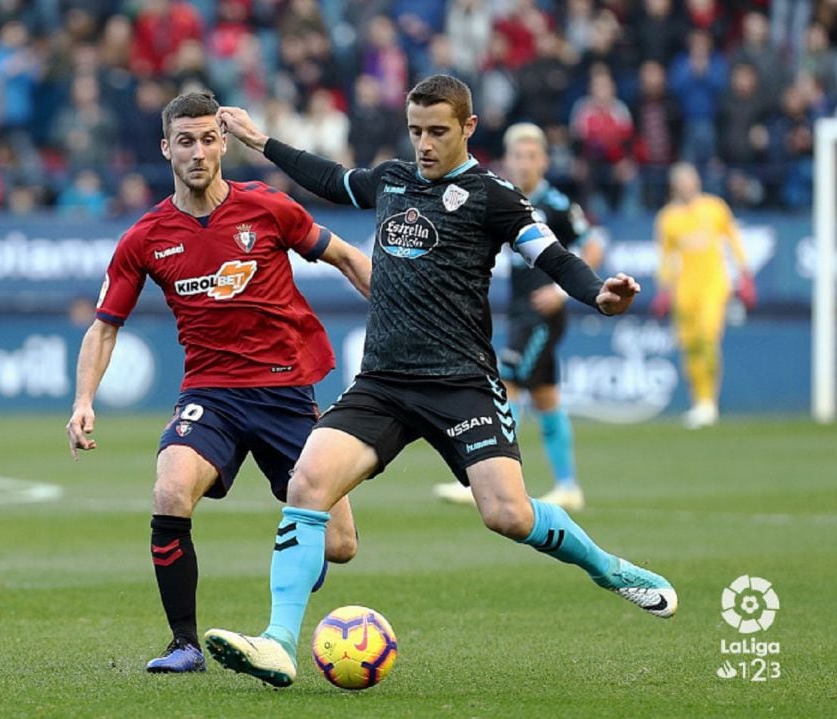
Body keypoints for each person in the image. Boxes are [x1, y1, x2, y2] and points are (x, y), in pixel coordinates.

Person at [206, 75, 677, 688]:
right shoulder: (394, 179)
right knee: (307, 482)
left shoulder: (493, 196)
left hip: (461, 383)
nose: (424, 144)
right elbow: (329, 178)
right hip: (383, 382)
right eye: (416, 131)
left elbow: (552, 256)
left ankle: (608, 568)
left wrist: (597, 294)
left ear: (468, 128)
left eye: (437, 132)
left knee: (507, 515)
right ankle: (278, 643)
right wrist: (261, 140)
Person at [65, 91, 371, 674]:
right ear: (166, 149)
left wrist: (404, 316)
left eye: (208, 138)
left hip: (286, 391)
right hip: (211, 394)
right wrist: (83, 400)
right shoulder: (146, 237)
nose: (199, 151)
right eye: (186, 141)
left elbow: (348, 258)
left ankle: (299, 551)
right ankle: (184, 644)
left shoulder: (268, 208)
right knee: (170, 490)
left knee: (340, 544)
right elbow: (104, 328)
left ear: (224, 143)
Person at [434, 122, 604, 512]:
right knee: (545, 397)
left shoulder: (557, 205)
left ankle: (486, 479)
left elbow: (593, 245)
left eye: (531, 156)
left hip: (541, 315)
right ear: (507, 160)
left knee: (506, 382)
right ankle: (568, 485)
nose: (524, 163)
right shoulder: (505, 199)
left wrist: (562, 292)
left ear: (544, 160)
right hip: (520, 311)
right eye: (517, 156)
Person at [651, 162, 754, 428]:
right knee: (690, 345)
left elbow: (733, 239)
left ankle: (710, 401)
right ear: (675, 186)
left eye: (690, 180)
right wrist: (664, 289)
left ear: (696, 181)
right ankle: (699, 401)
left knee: (708, 338)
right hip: (684, 288)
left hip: (713, 285)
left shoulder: (714, 207)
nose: (687, 185)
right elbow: (665, 256)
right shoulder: (668, 217)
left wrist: (744, 275)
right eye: (681, 181)